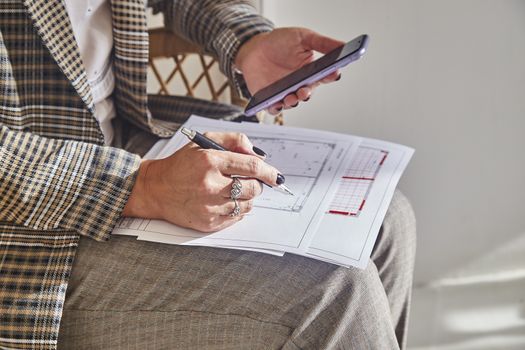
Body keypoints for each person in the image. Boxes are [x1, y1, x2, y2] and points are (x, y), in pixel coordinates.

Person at [0, 0, 416, 349]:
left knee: (386, 218)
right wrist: (139, 185)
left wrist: (245, 41)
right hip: (22, 235)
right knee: (335, 292)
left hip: (120, 137)